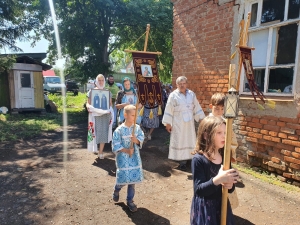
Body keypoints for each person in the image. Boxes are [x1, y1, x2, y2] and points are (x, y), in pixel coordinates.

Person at [190, 116, 239, 225]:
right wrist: (218, 179)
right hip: (205, 209)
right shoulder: (198, 160)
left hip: (221, 205)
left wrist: (230, 184)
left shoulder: (225, 156)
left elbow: (230, 188)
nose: (224, 136)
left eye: (225, 133)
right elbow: (199, 190)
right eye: (219, 133)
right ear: (206, 135)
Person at [162, 76, 205, 170]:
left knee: (190, 139)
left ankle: (191, 158)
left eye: (184, 83)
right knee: (181, 141)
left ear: (186, 84)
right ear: (177, 85)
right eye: (180, 84)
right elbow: (169, 109)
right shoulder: (173, 95)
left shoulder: (191, 94)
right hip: (178, 122)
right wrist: (168, 124)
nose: (182, 85)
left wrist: (202, 119)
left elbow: (196, 106)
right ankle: (182, 162)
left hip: (189, 123)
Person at [111, 105, 145, 212]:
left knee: (132, 180)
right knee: (123, 178)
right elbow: (115, 145)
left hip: (134, 157)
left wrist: (136, 140)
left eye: (136, 115)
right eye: (132, 115)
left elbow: (141, 137)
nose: (135, 118)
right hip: (123, 158)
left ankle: (130, 201)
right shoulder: (119, 130)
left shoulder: (137, 128)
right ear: (125, 115)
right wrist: (126, 150)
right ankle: (117, 189)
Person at [86, 74, 113, 159]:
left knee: (103, 133)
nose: (101, 82)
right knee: (95, 132)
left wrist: (109, 110)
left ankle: (101, 151)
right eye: (99, 80)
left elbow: (110, 104)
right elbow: (88, 103)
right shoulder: (92, 91)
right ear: (96, 81)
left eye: (102, 80)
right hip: (94, 115)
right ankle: (94, 148)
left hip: (104, 116)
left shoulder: (108, 92)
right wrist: (88, 107)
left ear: (104, 81)